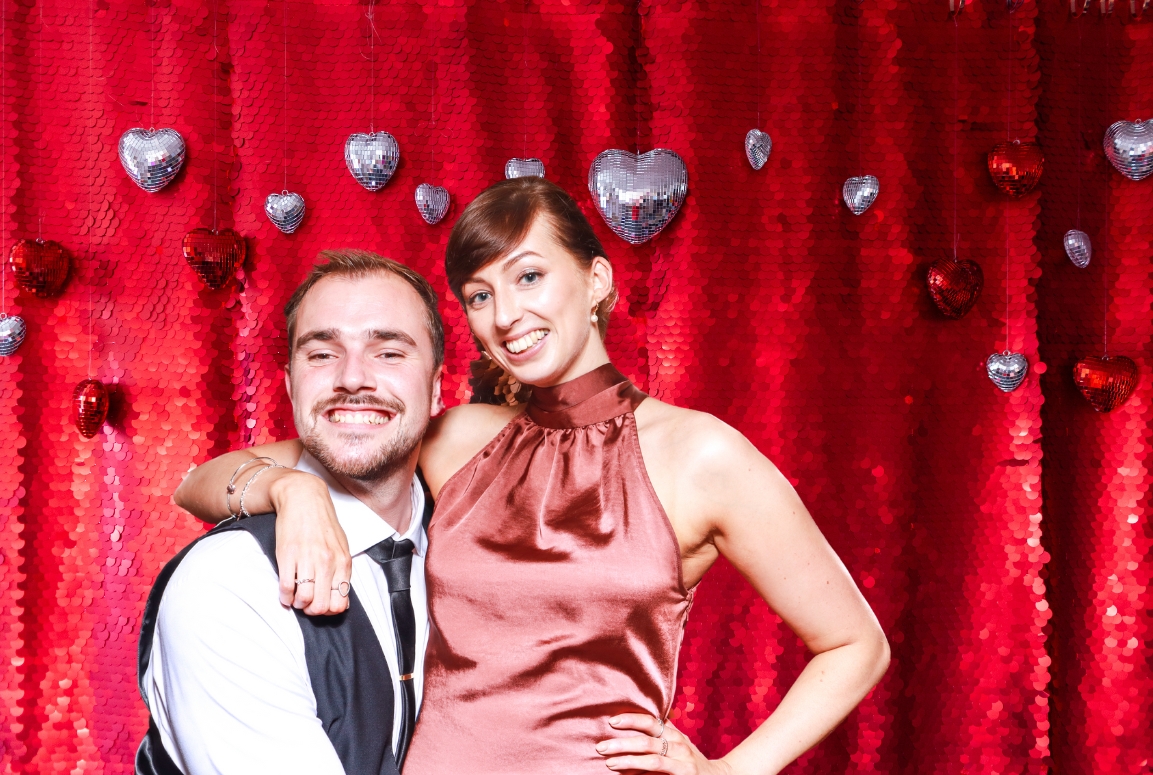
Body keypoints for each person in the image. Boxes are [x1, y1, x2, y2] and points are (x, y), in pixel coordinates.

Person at [175, 178, 890, 775]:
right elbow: (199, 483)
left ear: (597, 279)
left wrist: (730, 770)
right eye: (480, 295)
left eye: (528, 276)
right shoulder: (460, 439)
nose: (506, 314)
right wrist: (288, 489)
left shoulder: (698, 454)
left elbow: (856, 643)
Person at [141, 251, 445, 774]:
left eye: (389, 352)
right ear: (289, 384)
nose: (353, 378)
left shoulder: (470, 539)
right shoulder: (231, 582)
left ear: (438, 387)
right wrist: (291, 489)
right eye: (322, 354)